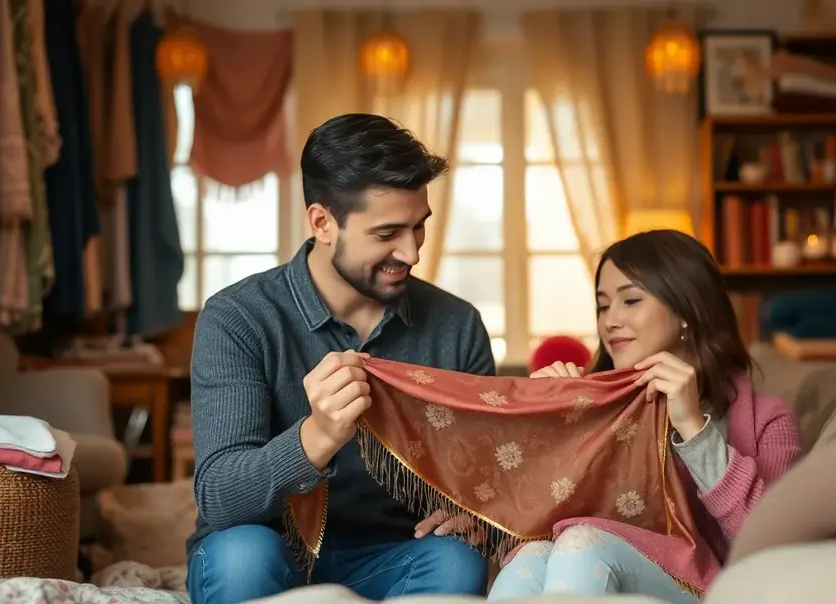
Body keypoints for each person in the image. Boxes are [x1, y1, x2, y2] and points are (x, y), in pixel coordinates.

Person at [186, 114, 495, 604]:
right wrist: (317, 437)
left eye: (420, 228)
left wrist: (475, 512)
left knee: (457, 560)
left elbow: (484, 478)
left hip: (397, 554)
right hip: (265, 547)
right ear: (322, 222)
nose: (412, 253)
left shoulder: (457, 326)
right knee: (242, 557)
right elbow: (221, 498)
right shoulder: (238, 318)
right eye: (387, 233)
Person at [488, 230, 801, 601]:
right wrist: (550, 424)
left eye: (631, 300)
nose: (610, 321)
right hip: (604, 571)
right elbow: (533, 525)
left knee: (581, 542)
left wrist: (693, 429)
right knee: (534, 555)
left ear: (686, 309)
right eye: (603, 306)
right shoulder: (596, 404)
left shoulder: (768, 419)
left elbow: (772, 547)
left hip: (715, 589)